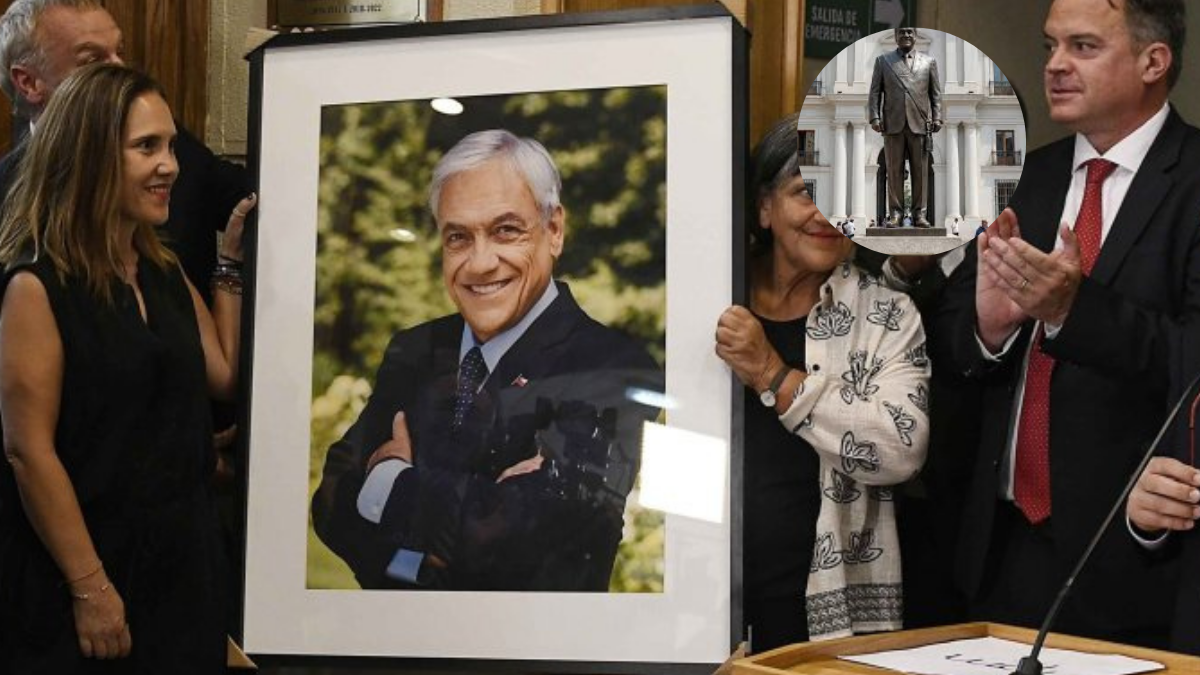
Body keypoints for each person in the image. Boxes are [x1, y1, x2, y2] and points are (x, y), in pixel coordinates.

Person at [933, 0, 1197, 647]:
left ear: (1152, 61)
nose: (1053, 65)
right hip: (998, 546)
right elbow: (950, 334)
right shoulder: (1024, 174)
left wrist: (1074, 311)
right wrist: (989, 327)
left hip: (1131, 559)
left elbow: (1193, 355)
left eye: (1082, 47)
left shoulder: (1193, 180)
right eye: (1050, 45)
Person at [310, 129, 663, 592]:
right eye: (458, 237)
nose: (480, 263)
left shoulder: (613, 367)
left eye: (505, 231)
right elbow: (331, 503)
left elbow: (530, 542)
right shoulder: (414, 349)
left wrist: (387, 478)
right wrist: (476, 512)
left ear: (554, 230)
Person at [0, 63, 256, 673]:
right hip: (84, 582)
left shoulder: (161, 270)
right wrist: (91, 588)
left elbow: (222, 374)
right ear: (90, 156)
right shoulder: (36, 288)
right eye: (147, 147)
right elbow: (28, 452)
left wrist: (228, 264)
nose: (170, 164)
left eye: (169, 146)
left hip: (181, 570)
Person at [714, 114, 929, 650]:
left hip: (819, 607)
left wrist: (773, 375)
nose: (828, 214)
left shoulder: (888, 314)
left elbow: (901, 449)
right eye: (807, 191)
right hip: (695, 590)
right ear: (765, 207)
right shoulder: (708, 288)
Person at [0, 0, 250, 305]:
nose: (120, 69)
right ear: (28, 82)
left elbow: (256, 199)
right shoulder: (6, 192)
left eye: (121, 51)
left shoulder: (170, 146)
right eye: (93, 59)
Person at [869, 26, 942, 228]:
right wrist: (874, 117)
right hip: (893, 123)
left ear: (916, 36)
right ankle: (895, 214)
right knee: (894, 172)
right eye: (902, 32)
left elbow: (935, 94)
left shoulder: (929, 62)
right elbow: (875, 92)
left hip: (919, 124)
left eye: (910, 32)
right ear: (895, 36)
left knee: (920, 172)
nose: (906, 35)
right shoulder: (883, 61)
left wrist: (938, 117)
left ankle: (920, 214)